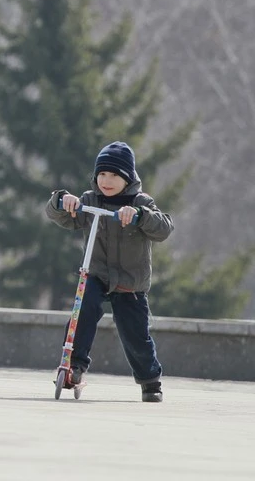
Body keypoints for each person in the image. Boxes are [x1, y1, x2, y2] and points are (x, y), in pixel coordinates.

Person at [45, 141, 174, 402]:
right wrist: (61, 201)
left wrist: (139, 215)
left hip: (130, 280)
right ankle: (74, 366)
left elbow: (164, 228)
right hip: (96, 273)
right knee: (83, 310)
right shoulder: (90, 200)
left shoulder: (141, 202)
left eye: (114, 175)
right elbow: (62, 216)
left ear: (127, 178)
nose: (107, 180)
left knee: (134, 333)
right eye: (102, 174)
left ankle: (150, 380)